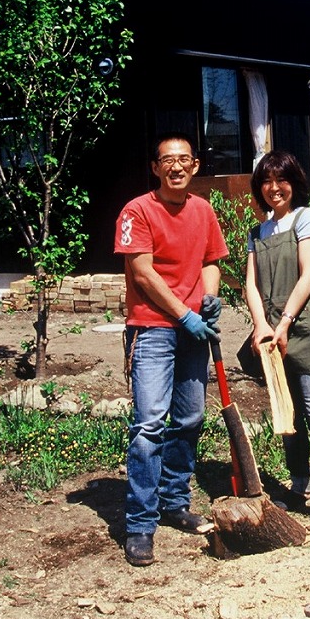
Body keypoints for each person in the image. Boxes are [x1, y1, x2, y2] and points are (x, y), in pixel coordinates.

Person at [114, 133, 228, 566]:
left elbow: (210, 261)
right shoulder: (137, 210)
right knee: (148, 426)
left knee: (191, 417)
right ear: (156, 167)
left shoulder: (203, 209)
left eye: (184, 160)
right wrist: (183, 313)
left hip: (193, 330)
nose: (176, 167)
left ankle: (174, 501)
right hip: (154, 329)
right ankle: (140, 524)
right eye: (168, 160)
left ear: (195, 166)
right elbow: (142, 273)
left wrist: (210, 300)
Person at [244, 150, 310, 540]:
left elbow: (308, 276)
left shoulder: (308, 219)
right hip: (273, 333)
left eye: (282, 180)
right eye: (266, 182)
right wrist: (261, 327)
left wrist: (285, 322)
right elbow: (251, 286)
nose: (274, 188)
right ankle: (297, 485)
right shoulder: (257, 233)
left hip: (305, 327)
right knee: (287, 417)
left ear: (294, 183)